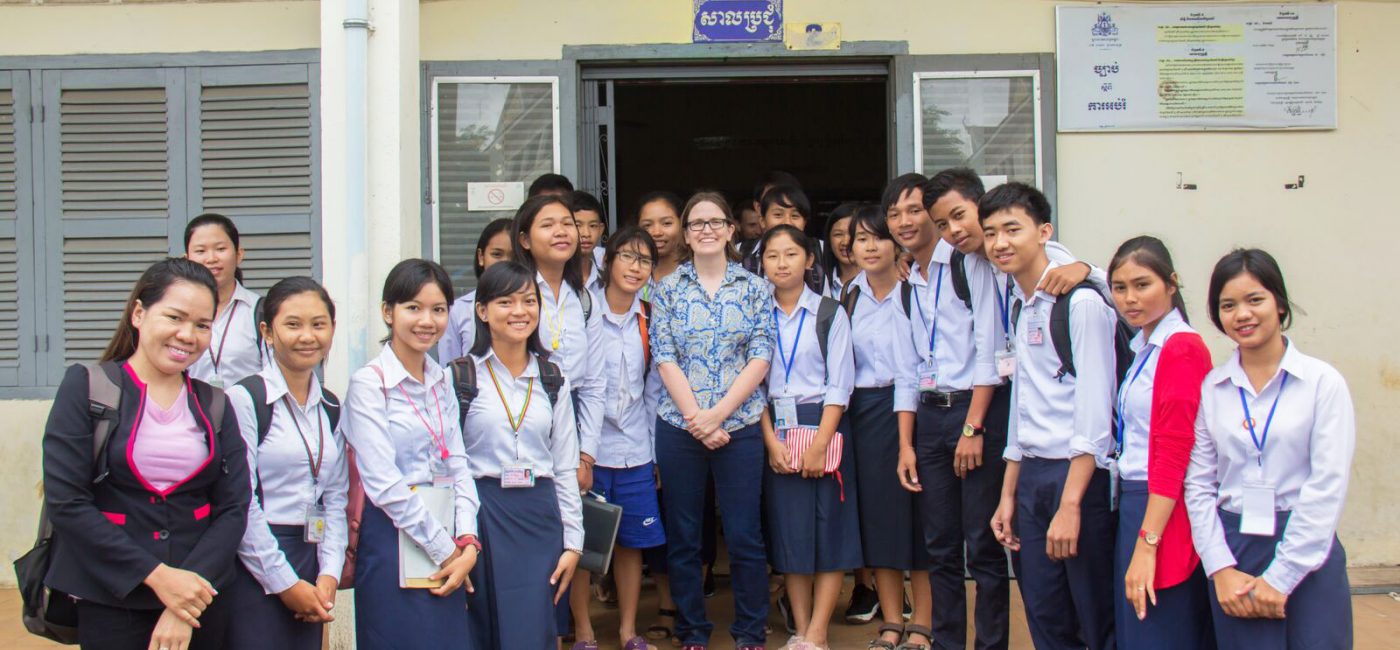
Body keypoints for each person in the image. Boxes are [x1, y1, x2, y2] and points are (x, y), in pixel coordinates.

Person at [42, 257, 249, 650]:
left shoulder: (216, 405)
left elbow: (234, 507)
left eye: (202, 325)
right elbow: (67, 502)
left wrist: (184, 598)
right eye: (175, 317)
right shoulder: (87, 387)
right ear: (139, 313)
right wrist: (158, 577)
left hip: (202, 601)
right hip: (113, 598)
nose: (187, 335)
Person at [1185, 249, 1355, 649]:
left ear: (1279, 303)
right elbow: (1198, 484)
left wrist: (1281, 577)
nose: (1242, 314)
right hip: (1235, 549)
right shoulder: (1214, 389)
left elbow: (1327, 485)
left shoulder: (1321, 383)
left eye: (1254, 300)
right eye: (1228, 305)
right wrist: (1220, 568)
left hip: (1308, 548)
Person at [983, 183, 1117, 650]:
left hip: (1077, 478)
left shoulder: (1080, 304)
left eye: (1012, 229)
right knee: (1045, 616)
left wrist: (1071, 503)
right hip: (1034, 478)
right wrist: (1008, 494)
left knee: (1093, 616)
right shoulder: (1023, 307)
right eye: (991, 232)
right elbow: (1024, 405)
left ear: (1044, 232)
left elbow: (1095, 413)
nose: (1000, 242)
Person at [886, 172, 1008, 650]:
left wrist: (975, 427)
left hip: (972, 412)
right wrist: (904, 445)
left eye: (914, 211)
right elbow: (906, 371)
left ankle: (991, 644)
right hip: (930, 419)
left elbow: (989, 350)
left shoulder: (967, 265)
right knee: (939, 546)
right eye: (894, 214)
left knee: (982, 546)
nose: (905, 221)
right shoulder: (906, 280)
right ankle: (948, 642)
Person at [650, 191, 774, 650]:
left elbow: (761, 355)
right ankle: (693, 632)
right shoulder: (666, 290)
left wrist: (718, 415)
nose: (706, 230)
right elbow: (664, 355)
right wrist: (695, 418)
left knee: (744, 535)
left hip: (738, 426)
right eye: (696, 223)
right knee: (684, 536)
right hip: (678, 426)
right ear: (686, 234)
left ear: (730, 229)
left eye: (714, 221)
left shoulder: (754, 288)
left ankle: (748, 631)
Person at [341, 259, 480, 649]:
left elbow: (458, 462)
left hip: (447, 530)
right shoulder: (370, 384)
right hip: (391, 534)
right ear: (388, 312)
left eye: (438, 310)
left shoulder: (441, 379)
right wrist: (446, 548)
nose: (427, 320)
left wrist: (467, 540)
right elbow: (383, 484)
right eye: (413, 308)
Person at [460, 261, 585, 649]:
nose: (519, 311)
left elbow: (565, 465)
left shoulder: (552, 379)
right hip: (483, 511)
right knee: (482, 623)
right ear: (482, 311)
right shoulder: (461, 378)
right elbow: (450, 465)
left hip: (539, 514)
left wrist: (573, 542)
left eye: (529, 301)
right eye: (505, 302)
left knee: (534, 626)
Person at [225, 277, 348, 650]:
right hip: (254, 559)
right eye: (293, 324)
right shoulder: (246, 399)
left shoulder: (329, 405)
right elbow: (241, 501)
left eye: (318, 324)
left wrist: (329, 573)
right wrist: (284, 583)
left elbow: (336, 497)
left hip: (311, 555)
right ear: (267, 331)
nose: (307, 336)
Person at [1105, 237, 1216, 649]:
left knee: (1159, 628)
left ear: (1172, 284)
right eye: (1119, 288)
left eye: (1142, 285)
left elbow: (1173, 453)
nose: (1129, 298)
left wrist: (1148, 543)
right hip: (1139, 502)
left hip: (1162, 507)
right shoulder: (1144, 346)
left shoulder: (1180, 347)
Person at [759, 225, 861, 650]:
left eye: (790, 254)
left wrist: (820, 443)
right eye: (772, 256)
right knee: (790, 534)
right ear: (761, 264)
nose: (781, 263)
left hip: (824, 426)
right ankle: (800, 628)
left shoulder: (829, 313)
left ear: (810, 260)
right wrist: (770, 442)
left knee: (830, 532)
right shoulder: (756, 312)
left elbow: (841, 383)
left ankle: (819, 631)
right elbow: (753, 389)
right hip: (776, 430)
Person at [570, 227, 668, 650]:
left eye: (644, 260)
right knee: (582, 546)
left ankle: (629, 630)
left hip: (633, 452)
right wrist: (576, 453)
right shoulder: (582, 312)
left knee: (631, 545)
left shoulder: (649, 318)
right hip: (585, 452)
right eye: (627, 257)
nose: (635, 267)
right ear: (608, 262)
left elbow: (653, 391)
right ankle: (585, 631)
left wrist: (653, 452)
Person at [840, 205, 929, 650]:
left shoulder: (917, 294)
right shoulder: (848, 296)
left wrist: (907, 440)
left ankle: (924, 624)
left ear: (897, 244)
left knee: (919, 520)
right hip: (864, 414)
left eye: (878, 237)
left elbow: (914, 371)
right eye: (860, 239)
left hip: (911, 411)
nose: (869, 246)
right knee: (878, 521)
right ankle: (892, 622)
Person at [184, 213, 265, 388]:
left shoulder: (260, 311)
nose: (211, 258)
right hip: (192, 413)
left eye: (220, 249)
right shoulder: (178, 312)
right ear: (187, 259)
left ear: (239, 254)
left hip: (247, 413)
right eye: (200, 251)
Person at [441, 217, 513, 362]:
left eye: (515, 256)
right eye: (497, 254)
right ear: (481, 257)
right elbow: (449, 369)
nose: (505, 262)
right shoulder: (458, 311)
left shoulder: (534, 307)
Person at [740, 184, 826, 293]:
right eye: (778, 215)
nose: (787, 222)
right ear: (762, 221)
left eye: (795, 216)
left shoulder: (822, 250)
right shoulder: (739, 252)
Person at [572, 191, 609, 294]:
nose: (586, 234)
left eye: (592, 226)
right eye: (578, 225)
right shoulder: (555, 279)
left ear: (601, 230)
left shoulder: (608, 280)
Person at [822, 202, 860, 302]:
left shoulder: (879, 280)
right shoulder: (819, 283)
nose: (846, 242)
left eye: (853, 234)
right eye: (838, 234)